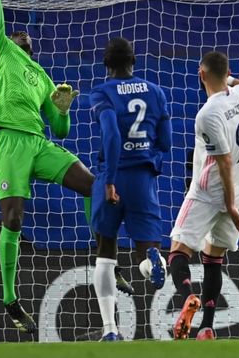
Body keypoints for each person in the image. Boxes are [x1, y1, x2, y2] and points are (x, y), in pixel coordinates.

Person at [0, 0, 133, 333]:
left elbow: (60, 130)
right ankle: (9, 300)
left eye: (26, 38)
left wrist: (62, 107)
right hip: (8, 141)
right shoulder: (1, 50)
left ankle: (104, 259)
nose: (20, 36)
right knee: (14, 219)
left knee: (98, 187)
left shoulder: (42, 76)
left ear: (32, 48)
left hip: (39, 144)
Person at [89, 37, 172, 341]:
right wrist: (149, 160)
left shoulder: (101, 92)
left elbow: (110, 134)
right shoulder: (156, 92)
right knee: (148, 248)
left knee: (105, 253)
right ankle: (152, 261)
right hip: (142, 178)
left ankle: (111, 329)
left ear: (106, 65)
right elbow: (165, 142)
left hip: (113, 177)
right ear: (133, 62)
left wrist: (110, 180)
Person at [168, 51, 239, 341]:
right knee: (213, 259)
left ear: (201, 74)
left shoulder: (207, 114)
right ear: (227, 73)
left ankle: (189, 296)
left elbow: (224, 161)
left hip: (209, 193)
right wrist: (231, 79)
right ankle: (206, 326)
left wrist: (228, 206)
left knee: (178, 252)